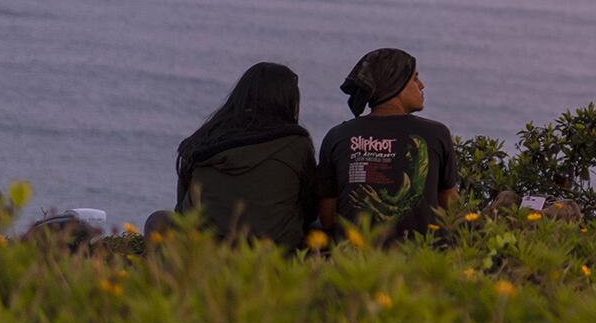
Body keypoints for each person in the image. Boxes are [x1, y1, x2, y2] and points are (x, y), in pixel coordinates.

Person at [159, 61, 317, 251]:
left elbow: (183, 209)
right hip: (272, 254)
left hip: (204, 252)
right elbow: (310, 208)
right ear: (289, 101)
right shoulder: (296, 145)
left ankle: (165, 278)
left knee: (157, 220)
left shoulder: (204, 140)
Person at [317, 48, 459, 242]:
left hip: (356, 262)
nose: (422, 85)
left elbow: (327, 218)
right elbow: (451, 211)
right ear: (396, 84)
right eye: (415, 79)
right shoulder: (435, 134)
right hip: (424, 260)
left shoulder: (338, 136)